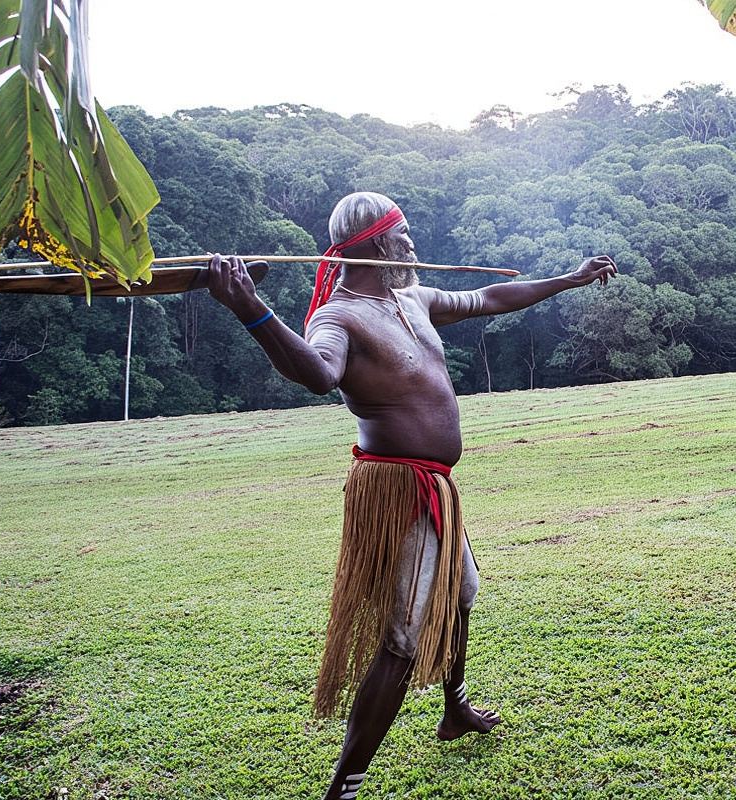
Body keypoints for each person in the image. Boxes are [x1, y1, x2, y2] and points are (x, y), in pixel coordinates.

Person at [205, 191, 617, 800]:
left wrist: (568, 280)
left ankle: (455, 708)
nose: (413, 245)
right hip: (396, 491)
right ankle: (343, 788)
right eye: (404, 236)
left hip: (436, 486)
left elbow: (489, 298)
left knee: (462, 593)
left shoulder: (411, 298)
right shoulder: (338, 317)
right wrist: (249, 307)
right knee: (401, 640)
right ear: (377, 244)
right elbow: (318, 373)